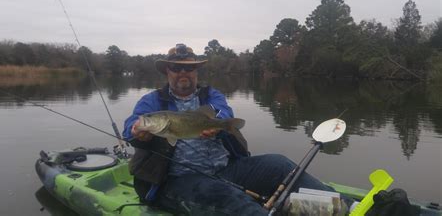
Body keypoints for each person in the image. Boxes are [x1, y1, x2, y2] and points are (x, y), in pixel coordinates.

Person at [123, 43, 342, 215]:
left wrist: (218, 124)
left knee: (279, 164)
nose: (183, 72)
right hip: (177, 182)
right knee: (227, 197)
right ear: (167, 72)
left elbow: (223, 113)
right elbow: (130, 126)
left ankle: (348, 207)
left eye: (189, 67)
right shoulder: (152, 102)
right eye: (176, 67)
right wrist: (135, 132)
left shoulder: (211, 95)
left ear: (196, 71)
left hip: (226, 170)